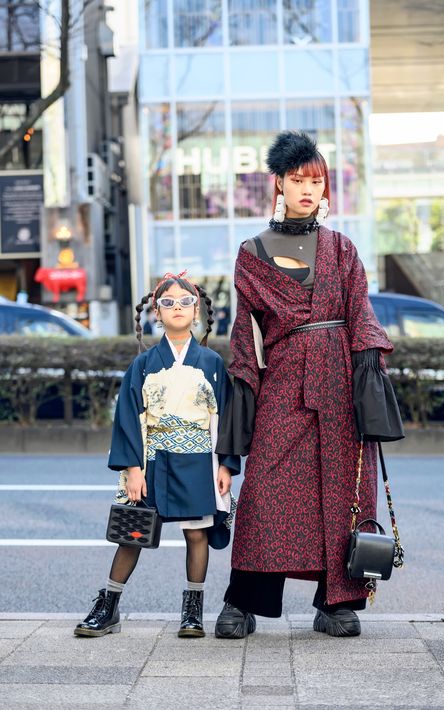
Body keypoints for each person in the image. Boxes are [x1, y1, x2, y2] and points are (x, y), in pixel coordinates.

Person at [214, 131, 404, 639]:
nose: (306, 189)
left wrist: (370, 385)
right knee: (267, 492)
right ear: (278, 183)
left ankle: (336, 604)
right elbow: (245, 338)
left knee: (343, 494)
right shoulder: (251, 252)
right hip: (283, 387)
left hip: (341, 385)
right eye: (297, 179)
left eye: (315, 180)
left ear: (326, 189)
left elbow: (361, 315)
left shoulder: (342, 248)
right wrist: (237, 425)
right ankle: (243, 601)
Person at [74, 271, 240, 639]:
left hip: (199, 459)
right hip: (152, 460)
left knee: (197, 535)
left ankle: (193, 611)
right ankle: (109, 605)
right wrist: (133, 468)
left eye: (185, 302)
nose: (176, 307)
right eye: (168, 303)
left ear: (196, 311)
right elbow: (128, 419)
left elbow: (224, 418)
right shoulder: (143, 364)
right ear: (156, 313)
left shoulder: (212, 363)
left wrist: (226, 464)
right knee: (132, 534)